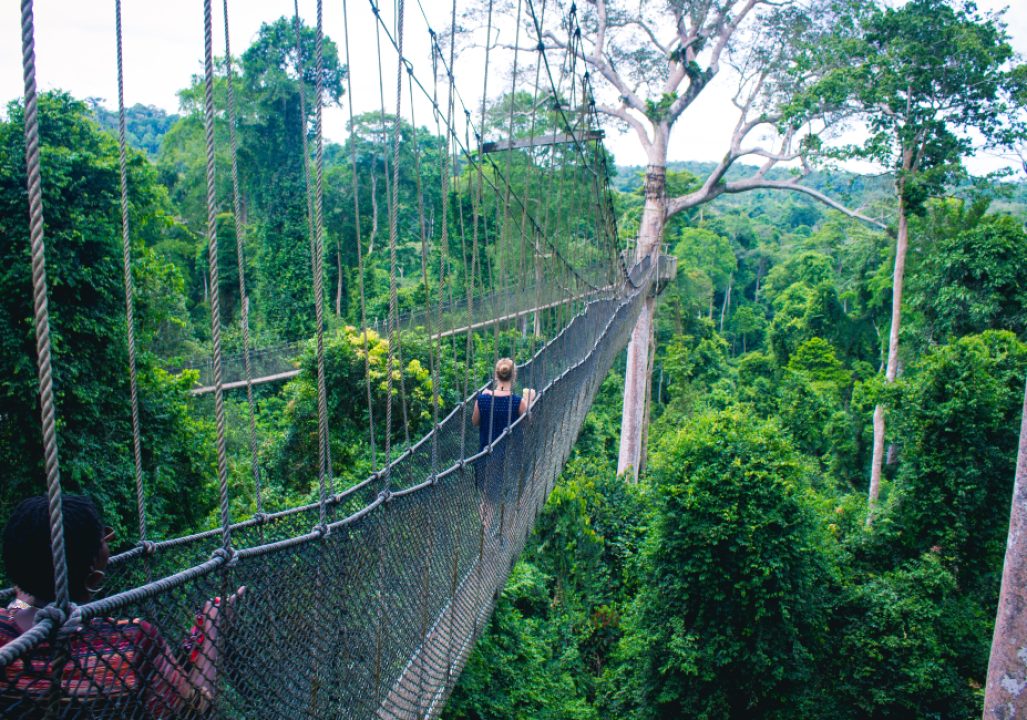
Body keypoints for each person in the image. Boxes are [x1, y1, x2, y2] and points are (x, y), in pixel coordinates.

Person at [0, 495, 242, 718]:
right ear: (93, 576)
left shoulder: (5, 635)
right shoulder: (132, 641)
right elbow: (191, 712)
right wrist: (213, 627)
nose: (110, 541)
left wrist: (28, 589)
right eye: (103, 539)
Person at [471, 357, 536, 450]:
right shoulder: (518, 402)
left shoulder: (481, 399)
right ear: (514, 376)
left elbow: (475, 422)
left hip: (485, 455)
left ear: (495, 375)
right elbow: (528, 424)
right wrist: (528, 400)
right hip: (511, 455)